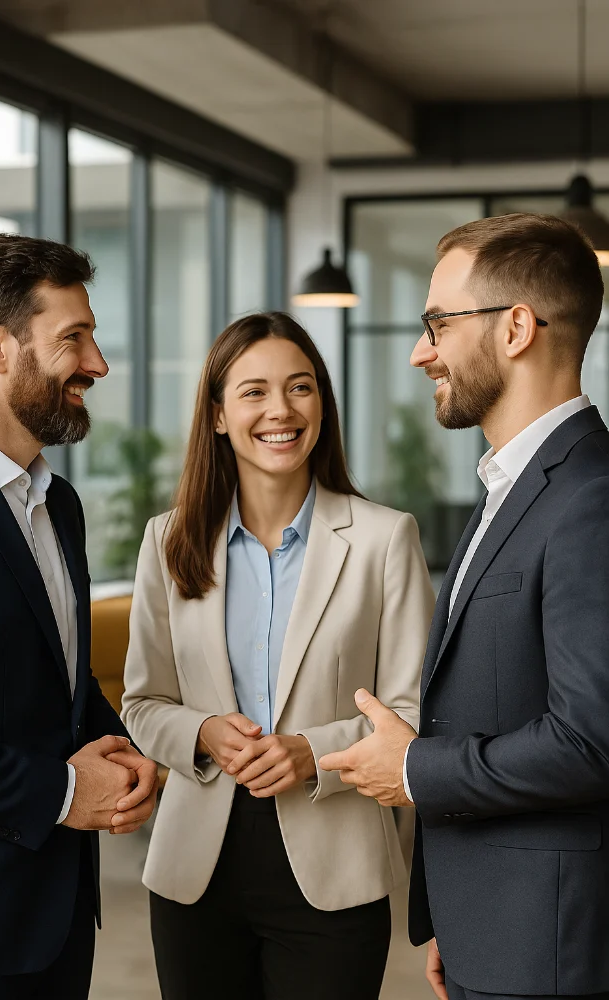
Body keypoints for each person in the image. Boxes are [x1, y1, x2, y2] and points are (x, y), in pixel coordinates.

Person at [320, 213, 609, 1000]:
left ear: (516, 327)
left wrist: (412, 768)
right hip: (496, 926)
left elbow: (591, 741)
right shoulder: (509, 485)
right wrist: (456, 914)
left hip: (549, 953)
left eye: (437, 323)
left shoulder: (589, 498)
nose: (421, 350)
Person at [121, 311, 434, 1000]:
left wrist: (309, 753)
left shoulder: (384, 540)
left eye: (300, 387)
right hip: (193, 873)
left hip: (336, 866)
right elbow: (142, 703)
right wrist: (201, 732)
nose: (280, 410)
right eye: (254, 392)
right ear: (217, 415)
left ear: (321, 402)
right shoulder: (168, 541)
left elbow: (410, 714)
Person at [0, 234, 158, 1000]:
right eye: (74, 338)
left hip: (60, 917)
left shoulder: (56, 503)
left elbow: (53, 681)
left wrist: (121, 753)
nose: (97, 364)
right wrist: (64, 794)